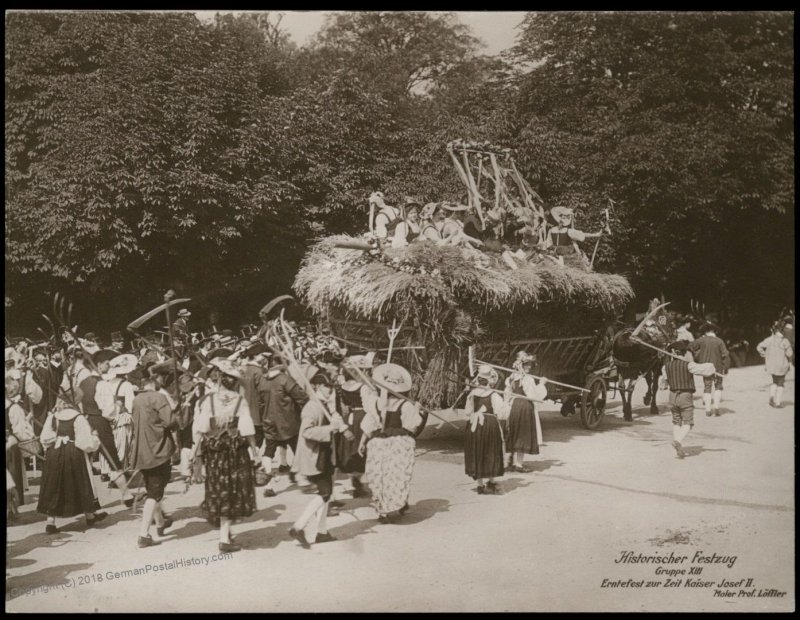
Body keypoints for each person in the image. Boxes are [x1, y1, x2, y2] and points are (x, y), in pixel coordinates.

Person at [190, 359, 259, 552]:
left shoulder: (208, 400)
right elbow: (247, 430)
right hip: (235, 451)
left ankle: (224, 531)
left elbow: (201, 428)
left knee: (219, 488)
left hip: (214, 452)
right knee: (232, 490)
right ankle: (224, 539)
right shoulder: (240, 401)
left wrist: (195, 453)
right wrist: (255, 451)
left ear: (219, 379)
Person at [288, 367, 347, 548]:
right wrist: (330, 429)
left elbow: (334, 419)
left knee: (326, 495)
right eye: (327, 386)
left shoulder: (326, 404)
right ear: (318, 386)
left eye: (332, 385)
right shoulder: (312, 406)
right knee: (325, 493)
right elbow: (306, 432)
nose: (331, 389)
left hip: (324, 454)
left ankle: (322, 532)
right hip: (314, 456)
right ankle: (298, 526)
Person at [359, 363, 422, 522]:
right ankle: (398, 504)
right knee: (397, 475)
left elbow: (369, 425)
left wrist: (362, 442)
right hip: (399, 444)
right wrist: (418, 411)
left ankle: (383, 511)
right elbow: (412, 428)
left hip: (378, 443)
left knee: (380, 475)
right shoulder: (406, 405)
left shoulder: (376, 403)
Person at [129, 362, 181, 548]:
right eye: (163, 378)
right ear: (157, 379)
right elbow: (171, 422)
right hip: (158, 449)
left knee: (154, 487)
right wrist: (178, 410)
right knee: (155, 491)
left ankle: (160, 522)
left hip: (142, 450)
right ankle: (143, 534)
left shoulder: (136, 400)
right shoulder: (158, 397)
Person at [37, 398, 107, 533]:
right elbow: (85, 442)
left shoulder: (52, 417)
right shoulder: (78, 418)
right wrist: (95, 439)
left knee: (54, 484)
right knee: (80, 482)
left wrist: (56, 440)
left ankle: (50, 522)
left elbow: (45, 438)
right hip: (73, 453)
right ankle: (90, 515)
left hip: (55, 453)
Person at [262, 355, 308, 497]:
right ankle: (300, 478)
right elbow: (301, 397)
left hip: (268, 420)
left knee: (269, 451)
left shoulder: (263, 380)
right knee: (297, 447)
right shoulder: (285, 379)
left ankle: (267, 485)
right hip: (288, 420)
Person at [662, 340, 717, 458]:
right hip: (685, 396)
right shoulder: (689, 365)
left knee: (676, 421)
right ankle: (677, 440)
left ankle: (678, 447)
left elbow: (665, 380)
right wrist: (712, 368)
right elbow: (705, 369)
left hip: (672, 396)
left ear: (673, 352)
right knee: (688, 422)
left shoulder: (665, 367)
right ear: (684, 353)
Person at [334, 353, 376, 498]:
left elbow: (343, 406)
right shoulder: (364, 388)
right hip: (361, 418)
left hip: (349, 418)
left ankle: (356, 481)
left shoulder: (343, 386)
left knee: (351, 449)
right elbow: (369, 407)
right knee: (362, 448)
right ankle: (361, 483)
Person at [95, 353, 138, 493]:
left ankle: (106, 471)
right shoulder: (126, 385)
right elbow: (131, 405)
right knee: (122, 444)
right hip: (121, 416)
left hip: (106, 417)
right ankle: (118, 474)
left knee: (108, 443)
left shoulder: (104, 383)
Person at [464, 365, 510, 495]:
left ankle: (479, 484)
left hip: (475, 425)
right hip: (489, 425)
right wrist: (507, 400)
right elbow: (502, 414)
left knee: (478, 450)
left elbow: (467, 412)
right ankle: (490, 480)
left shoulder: (472, 395)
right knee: (490, 451)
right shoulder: (494, 395)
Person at [504, 351, 548, 472]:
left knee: (514, 432)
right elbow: (533, 396)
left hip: (514, 406)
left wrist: (508, 406)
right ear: (521, 365)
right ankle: (518, 464)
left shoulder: (511, 378)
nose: (529, 367)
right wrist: (542, 384)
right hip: (524, 406)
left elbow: (507, 395)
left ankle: (510, 461)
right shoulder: (528, 379)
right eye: (527, 364)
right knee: (522, 435)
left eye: (530, 364)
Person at [5, 368, 36, 507]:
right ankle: (11, 509)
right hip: (9, 447)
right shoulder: (13, 408)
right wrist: (27, 422)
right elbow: (21, 433)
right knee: (11, 478)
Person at [688, 322, 730, 417]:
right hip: (718, 368)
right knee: (718, 387)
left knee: (707, 387)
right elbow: (725, 355)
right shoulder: (719, 341)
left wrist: (697, 355)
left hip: (705, 368)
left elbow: (690, 346)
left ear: (705, 331)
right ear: (714, 331)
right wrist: (726, 368)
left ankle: (707, 410)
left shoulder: (702, 340)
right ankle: (716, 408)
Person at [757, 324, 794, 408]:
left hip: (771, 366)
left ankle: (772, 396)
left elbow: (759, 347)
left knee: (774, 381)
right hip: (782, 366)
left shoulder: (769, 340)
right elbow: (789, 354)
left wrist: (765, 355)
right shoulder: (785, 341)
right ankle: (778, 402)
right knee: (781, 383)